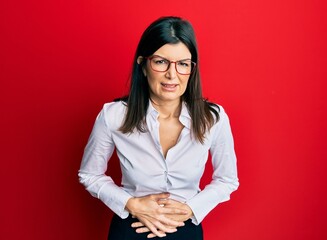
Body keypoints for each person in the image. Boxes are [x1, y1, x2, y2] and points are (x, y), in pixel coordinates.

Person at [78, 16, 239, 240]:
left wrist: (190, 209)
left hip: (185, 230)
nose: (172, 75)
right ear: (143, 65)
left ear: (191, 69)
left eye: (183, 64)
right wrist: (131, 205)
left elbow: (227, 180)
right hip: (130, 228)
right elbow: (89, 174)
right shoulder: (113, 115)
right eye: (161, 62)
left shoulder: (214, 118)